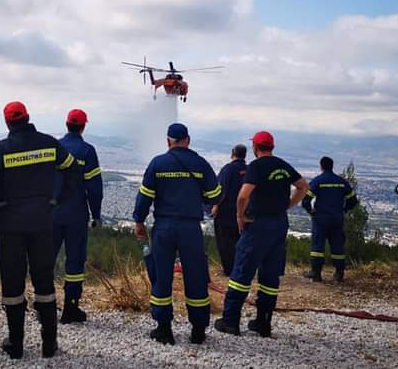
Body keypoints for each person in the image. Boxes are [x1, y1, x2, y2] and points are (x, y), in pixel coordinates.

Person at [0, 101, 82, 359]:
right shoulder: (49, 144)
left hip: (11, 226)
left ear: (8, 123)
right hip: (43, 223)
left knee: (13, 285)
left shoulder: (2, 150)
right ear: (28, 117)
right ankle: (49, 344)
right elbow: (73, 171)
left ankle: (17, 345)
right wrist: (58, 200)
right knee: (44, 282)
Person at [133, 123, 221, 346]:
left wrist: (139, 221)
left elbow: (145, 197)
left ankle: (164, 330)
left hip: (164, 227)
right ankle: (198, 331)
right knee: (196, 277)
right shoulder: (200, 163)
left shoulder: (158, 163)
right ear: (188, 140)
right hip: (191, 228)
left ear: (168, 141)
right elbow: (215, 195)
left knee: (161, 277)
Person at [215, 131, 310, 338]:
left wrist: (240, 216)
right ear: (272, 147)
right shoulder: (283, 165)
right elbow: (303, 186)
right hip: (279, 224)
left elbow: (242, 196)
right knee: (270, 275)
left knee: (241, 273)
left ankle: (230, 321)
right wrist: (289, 204)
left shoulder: (255, 167)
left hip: (257, 224)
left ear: (255, 148)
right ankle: (263, 323)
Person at [53, 109, 103, 324]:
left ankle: (43, 307)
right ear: (83, 126)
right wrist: (96, 215)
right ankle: (70, 309)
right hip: (76, 214)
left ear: (66, 124)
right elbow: (94, 188)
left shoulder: (53, 148)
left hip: (51, 214)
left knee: (45, 260)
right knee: (75, 262)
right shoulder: (86, 151)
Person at [301, 156, 359, 283]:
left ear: (321, 166)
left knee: (318, 246)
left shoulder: (318, 181)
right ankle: (339, 273)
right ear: (332, 166)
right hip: (337, 219)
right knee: (338, 246)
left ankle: (316, 273)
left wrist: (311, 212)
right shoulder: (342, 182)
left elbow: (305, 201)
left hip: (321, 219)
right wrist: (344, 210)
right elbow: (353, 201)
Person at [213, 144, 247, 276]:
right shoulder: (249, 169)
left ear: (232, 154)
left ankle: (229, 270)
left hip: (226, 212)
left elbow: (220, 190)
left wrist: (215, 206)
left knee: (225, 241)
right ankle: (241, 267)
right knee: (241, 240)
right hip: (244, 212)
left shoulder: (227, 169)